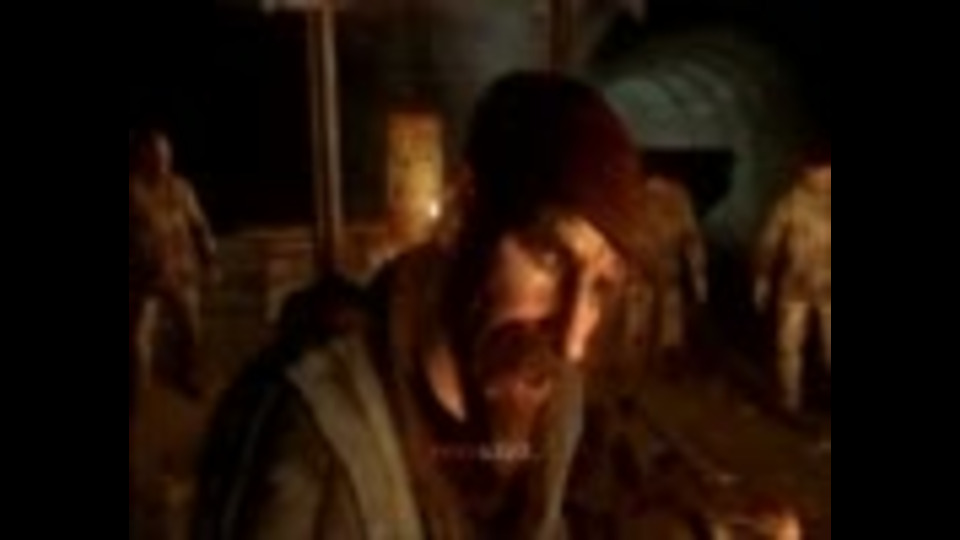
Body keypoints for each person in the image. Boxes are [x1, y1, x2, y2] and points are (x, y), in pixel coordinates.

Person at [192, 71, 653, 539]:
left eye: (600, 287)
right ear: (463, 212)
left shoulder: (556, 400)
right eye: (550, 258)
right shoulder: (306, 431)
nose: (572, 341)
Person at [129, 130, 218, 401]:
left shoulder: (181, 188)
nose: (162, 162)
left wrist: (210, 258)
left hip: (181, 273)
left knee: (191, 329)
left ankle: (187, 375)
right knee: (138, 338)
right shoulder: (132, 191)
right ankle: (138, 387)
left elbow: (200, 225)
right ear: (143, 157)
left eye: (166, 156)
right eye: (156, 156)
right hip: (145, 278)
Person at [754, 147, 831, 414]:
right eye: (819, 171)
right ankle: (790, 399)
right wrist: (762, 278)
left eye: (826, 171)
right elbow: (769, 241)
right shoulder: (791, 203)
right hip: (796, 286)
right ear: (806, 172)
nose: (823, 177)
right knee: (788, 346)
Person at [643, 172, 709, 367]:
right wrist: (700, 285)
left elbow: (691, 241)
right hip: (645, 271)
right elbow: (692, 241)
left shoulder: (677, 198)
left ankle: (666, 358)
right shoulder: (675, 197)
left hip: (660, 270)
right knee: (649, 321)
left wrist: (700, 284)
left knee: (667, 320)